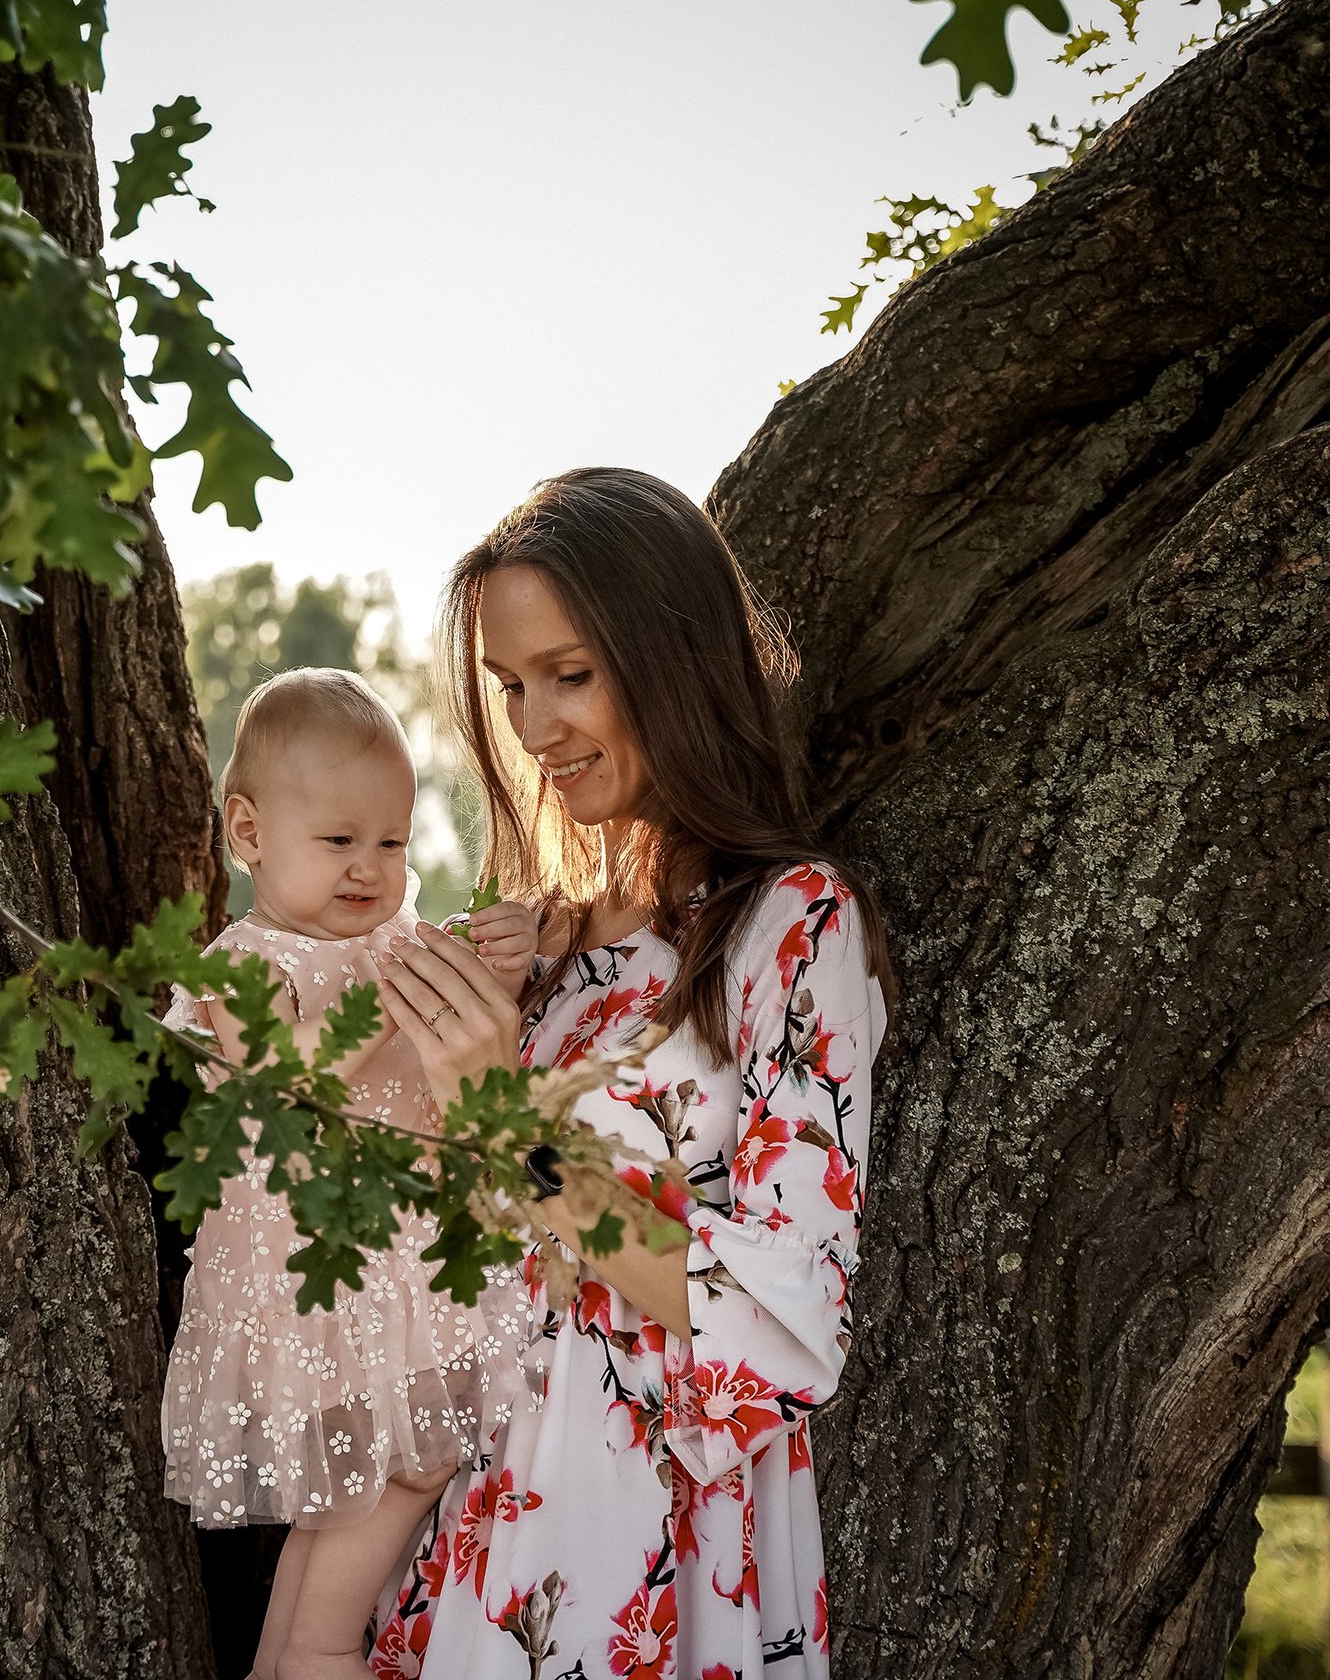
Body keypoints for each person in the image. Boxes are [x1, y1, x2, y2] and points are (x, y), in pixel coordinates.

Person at [367, 469, 897, 1680]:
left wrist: (504, 1119)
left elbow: (785, 1311)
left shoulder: (792, 926)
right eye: (510, 685)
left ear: (675, 658)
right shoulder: (542, 946)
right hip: (463, 1514)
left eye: (570, 674)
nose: (532, 728)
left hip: (640, 1539)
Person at [159, 666, 543, 1680]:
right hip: (329, 1288)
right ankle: (321, 1654)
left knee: (349, 1506)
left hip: (402, 1264)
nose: (369, 869)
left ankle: (285, 1658)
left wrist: (494, 964)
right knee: (407, 1469)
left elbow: (461, 1041)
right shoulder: (243, 965)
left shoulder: (391, 941)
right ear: (248, 832)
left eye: (392, 843)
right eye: (338, 841)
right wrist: (383, 993)